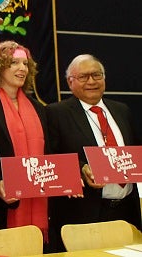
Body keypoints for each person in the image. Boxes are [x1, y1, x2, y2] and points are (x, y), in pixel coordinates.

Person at [46, 54, 141, 252]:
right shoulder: (56, 113)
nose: (91, 81)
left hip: (128, 211)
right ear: (70, 82)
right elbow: (50, 157)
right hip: (83, 214)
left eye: (96, 75)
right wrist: (80, 169)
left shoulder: (122, 110)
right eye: (83, 77)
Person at [0, 41, 52, 244]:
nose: (22, 68)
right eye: (14, 63)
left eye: (25, 63)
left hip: (39, 199)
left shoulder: (38, 107)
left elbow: (49, 153)